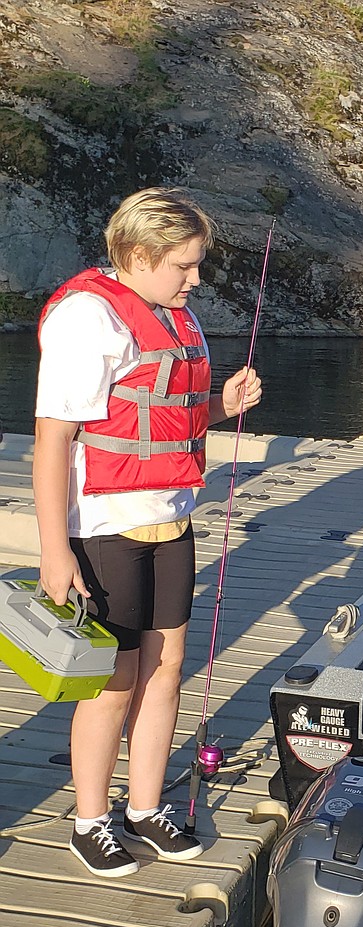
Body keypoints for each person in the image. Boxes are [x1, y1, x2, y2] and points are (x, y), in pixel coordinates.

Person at [33, 187, 263, 878]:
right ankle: (90, 820)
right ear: (138, 255)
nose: (196, 279)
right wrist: (54, 551)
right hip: (105, 526)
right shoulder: (88, 318)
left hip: (172, 520)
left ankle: (144, 807)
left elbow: (165, 418)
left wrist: (219, 406)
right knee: (114, 681)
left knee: (165, 672)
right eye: (184, 266)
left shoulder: (175, 317)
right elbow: (52, 444)